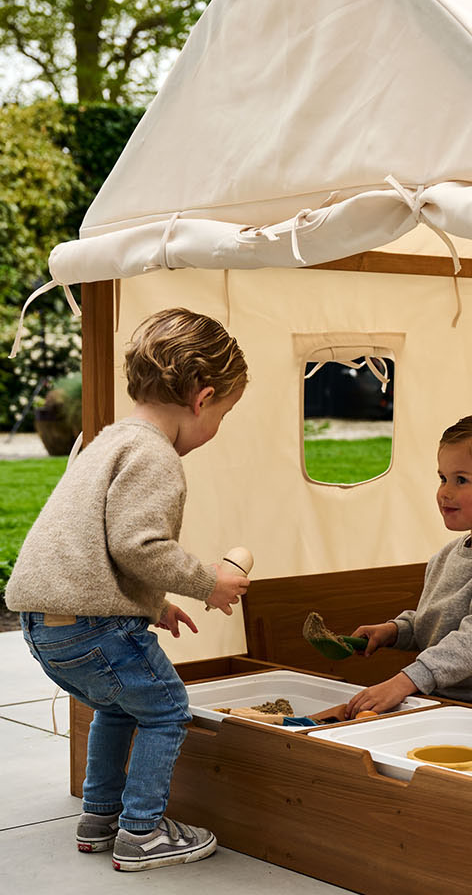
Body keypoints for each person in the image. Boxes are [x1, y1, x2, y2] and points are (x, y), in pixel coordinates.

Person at [6, 307, 250, 872]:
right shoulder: (154, 455)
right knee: (166, 709)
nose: (216, 428)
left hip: (46, 626)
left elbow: (92, 544)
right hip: (94, 628)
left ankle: (99, 818)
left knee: (118, 707)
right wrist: (207, 582)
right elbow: (139, 545)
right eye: (223, 414)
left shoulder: (105, 441)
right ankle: (142, 833)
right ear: (202, 398)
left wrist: (152, 604)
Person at [344, 410, 472, 722]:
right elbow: (436, 623)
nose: (445, 492)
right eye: (443, 478)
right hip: (445, 700)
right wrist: (394, 631)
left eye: (461, 480)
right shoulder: (447, 555)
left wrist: (403, 682)